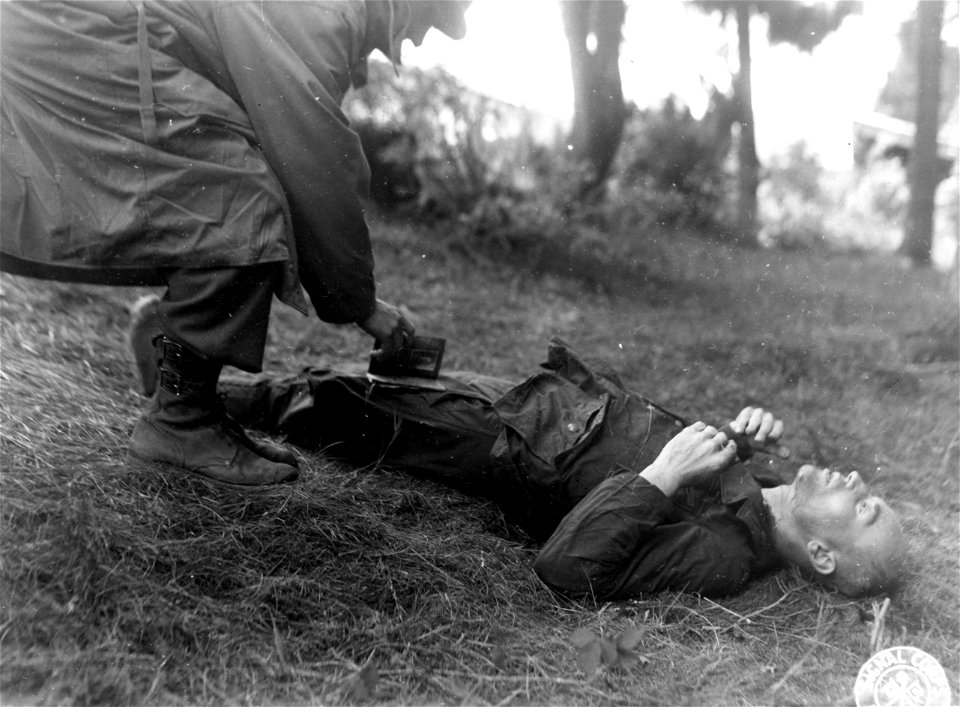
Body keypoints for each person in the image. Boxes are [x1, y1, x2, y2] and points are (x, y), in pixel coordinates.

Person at [0, 0, 470, 486]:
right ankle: (181, 422)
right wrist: (360, 304)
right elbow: (312, 153)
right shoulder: (329, 11)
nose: (419, 39)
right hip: (77, 31)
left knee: (217, 189)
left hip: (63, 28)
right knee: (240, 202)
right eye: (430, 21)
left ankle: (175, 342)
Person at [197, 338, 906, 600]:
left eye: (863, 510)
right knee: (388, 386)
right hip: (553, 408)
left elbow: (566, 568)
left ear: (820, 553)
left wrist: (661, 474)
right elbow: (706, 467)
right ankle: (202, 370)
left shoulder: (724, 555)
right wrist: (737, 440)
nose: (856, 484)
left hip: (519, 449)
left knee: (352, 405)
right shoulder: (775, 481)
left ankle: (195, 391)